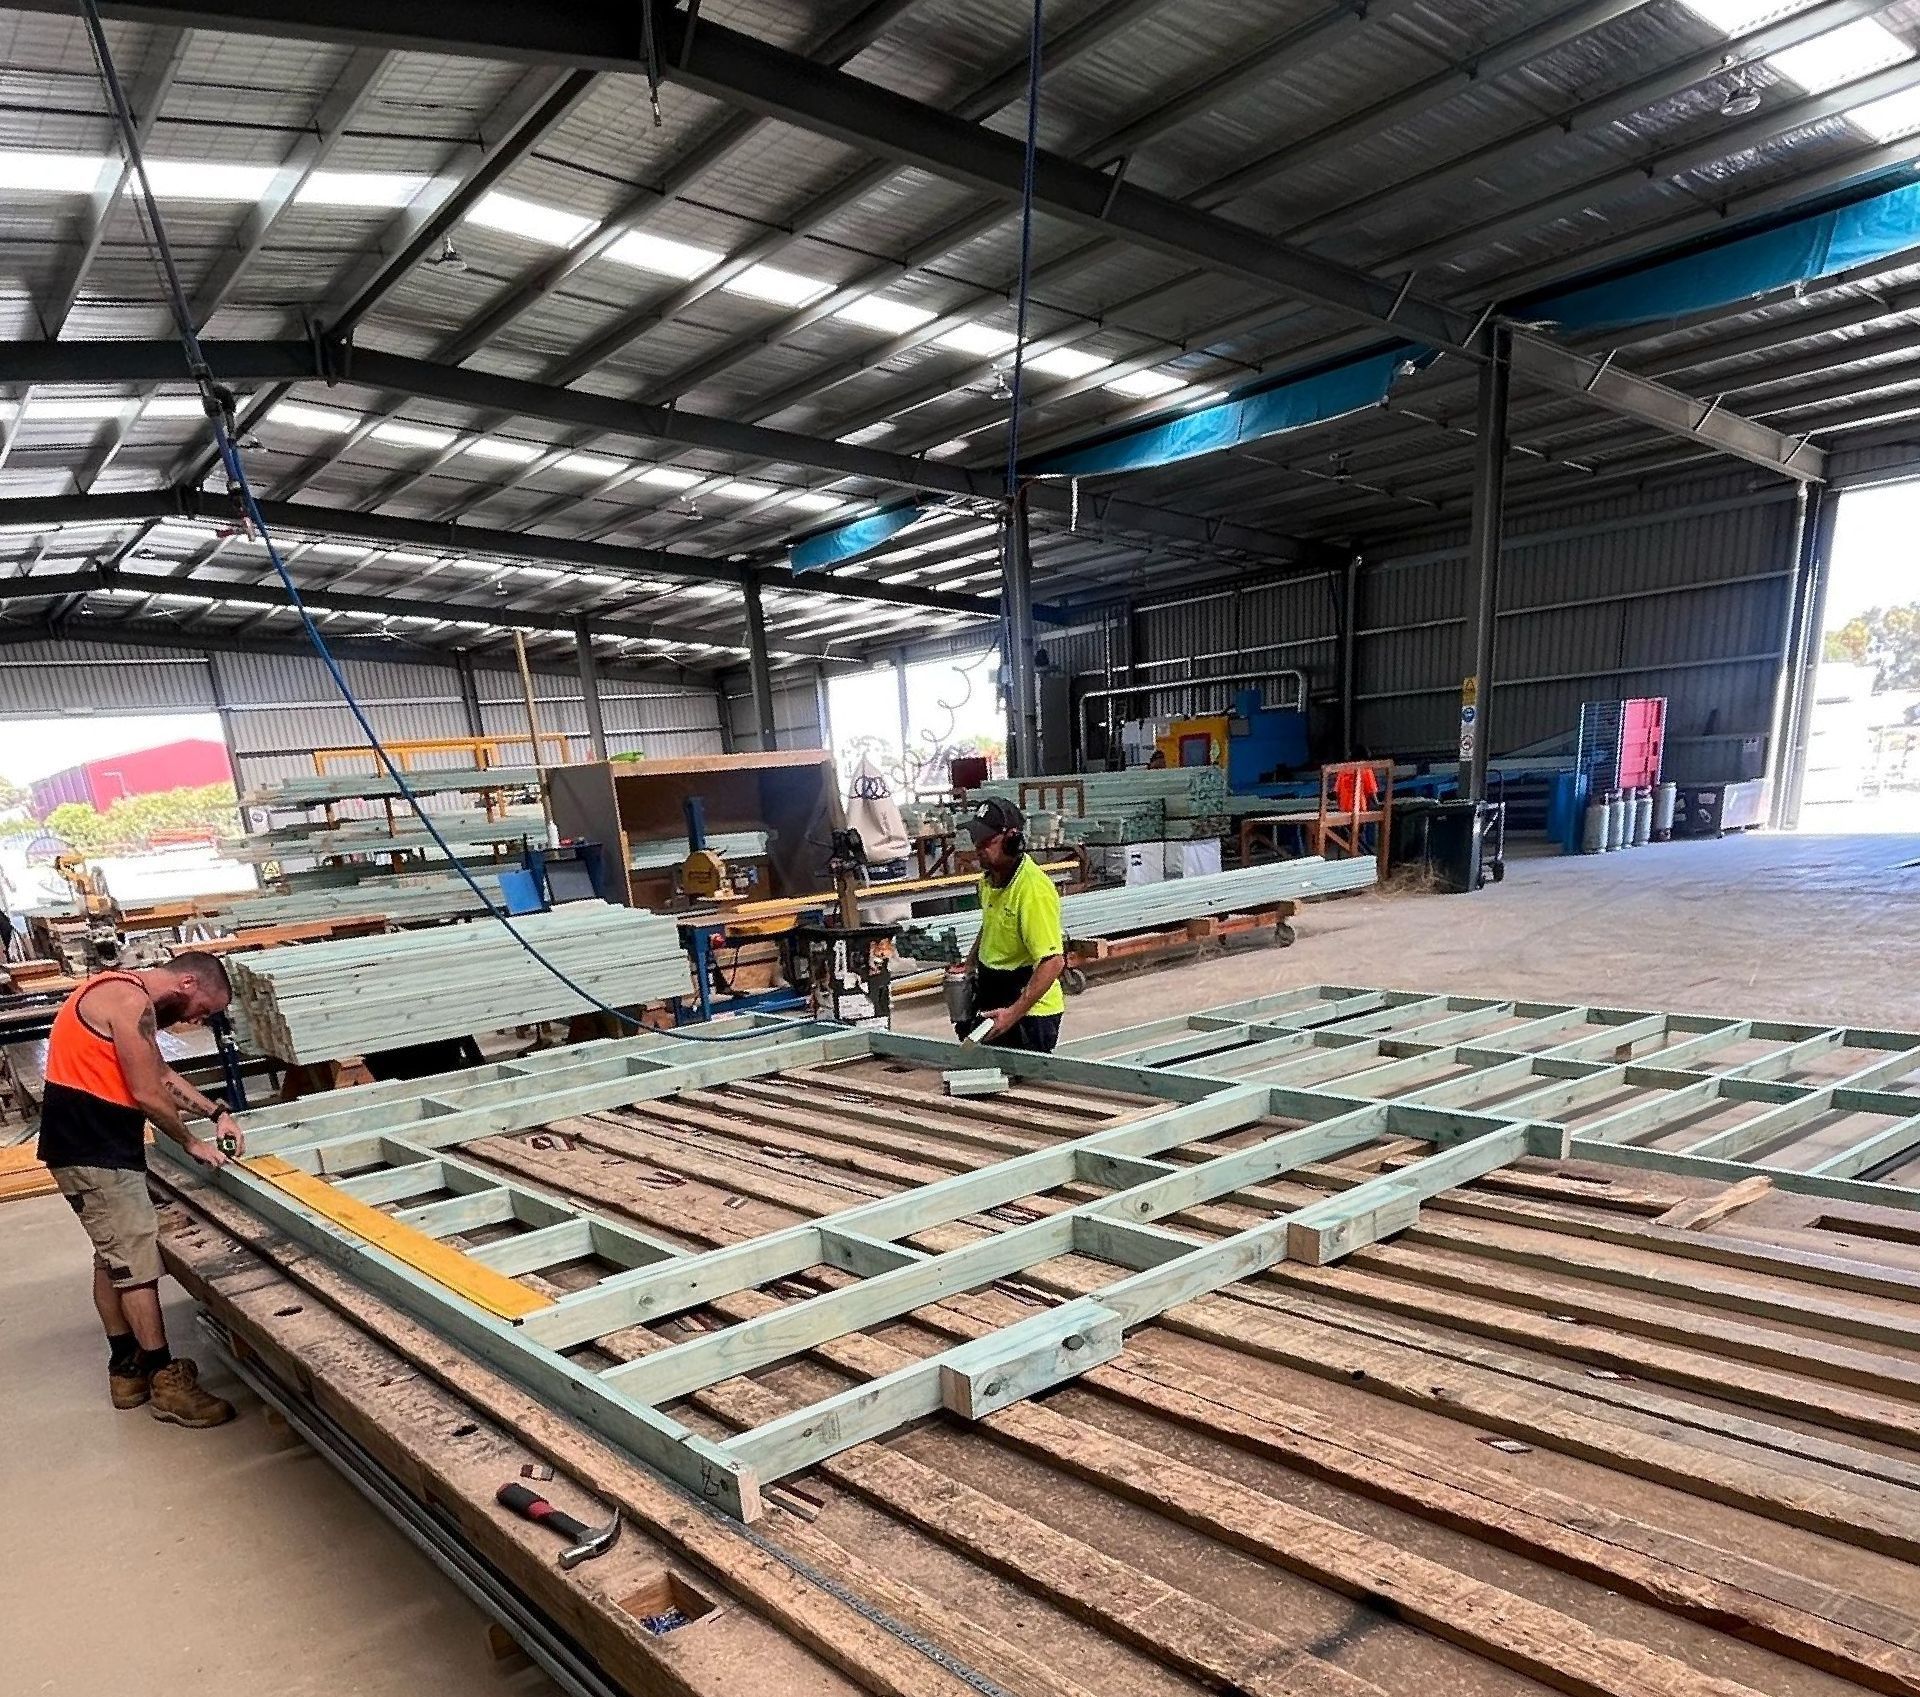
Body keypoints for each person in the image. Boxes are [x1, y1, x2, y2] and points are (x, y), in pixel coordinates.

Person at [39, 952, 245, 1427]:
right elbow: (147, 1093)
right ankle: (164, 1379)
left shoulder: (124, 995)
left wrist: (216, 1113)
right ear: (188, 982)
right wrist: (191, 1142)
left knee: (112, 1255)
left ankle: (126, 1368)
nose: (197, 1020)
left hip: (96, 1149)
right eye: (203, 1009)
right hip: (93, 1151)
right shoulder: (128, 1000)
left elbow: (163, 1076)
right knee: (136, 1266)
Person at [949, 798, 1066, 1052]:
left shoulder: (1032, 889)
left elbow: (1053, 962)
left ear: (1012, 839)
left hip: (1029, 1015)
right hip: (996, 999)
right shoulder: (989, 881)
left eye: (987, 841)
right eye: (976, 840)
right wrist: (968, 966)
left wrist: (1012, 1015)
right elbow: (990, 925)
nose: (979, 848)